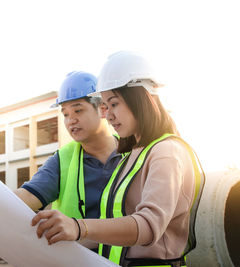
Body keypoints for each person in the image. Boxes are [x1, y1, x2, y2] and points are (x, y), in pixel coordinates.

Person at [31, 52, 205, 267]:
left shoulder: (166, 151)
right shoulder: (133, 155)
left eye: (114, 104)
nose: (109, 115)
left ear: (140, 98)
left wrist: (79, 227)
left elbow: (149, 225)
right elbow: (115, 234)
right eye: (105, 106)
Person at [15, 71, 121, 224]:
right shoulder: (62, 159)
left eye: (78, 110)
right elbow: (28, 197)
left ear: (103, 109)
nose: (71, 120)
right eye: (65, 114)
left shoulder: (134, 153)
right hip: (79, 248)